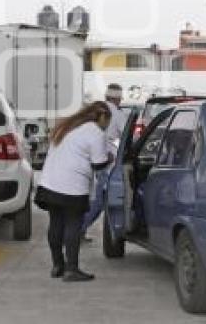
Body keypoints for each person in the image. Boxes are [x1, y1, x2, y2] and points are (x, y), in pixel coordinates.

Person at [35, 101, 112, 282]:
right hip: (72, 186)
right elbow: (98, 164)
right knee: (73, 224)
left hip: (49, 183)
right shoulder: (95, 132)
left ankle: (57, 265)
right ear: (101, 116)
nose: (107, 125)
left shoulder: (69, 126)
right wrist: (110, 157)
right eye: (107, 120)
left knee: (55, 223)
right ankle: (72, 269)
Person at [82, 84, 127, 235]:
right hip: (103, 162)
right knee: (99, 201)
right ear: (118, 98)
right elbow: (127, 136)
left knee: (87, 198)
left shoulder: (94, 110)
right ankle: (79, 230)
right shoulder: (117, 114)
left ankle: (78, 229)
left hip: (85, 160)